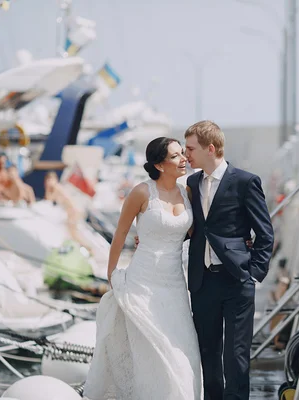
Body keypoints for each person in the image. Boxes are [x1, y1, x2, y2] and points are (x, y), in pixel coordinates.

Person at [83, 137, 202, 400]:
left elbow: (192, 232)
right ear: (160, 165)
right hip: (143, 282)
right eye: (175, 156)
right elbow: (120, 233)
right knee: (148, 351)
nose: (183, 159)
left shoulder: (188, 192)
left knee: (184, 351)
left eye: (183, 153)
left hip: (174, 284)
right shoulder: (141, 192)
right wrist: (112, 274)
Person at [184, 120, 274, 400]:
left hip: (237, 280)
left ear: (210, 149)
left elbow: (265, 233)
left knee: (235, 358)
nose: (186, 155)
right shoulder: (191, 182)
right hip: (202, 281)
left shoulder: (246, 182)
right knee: (208, 353)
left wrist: (254, 274)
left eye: (190, 148)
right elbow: (195, 227)